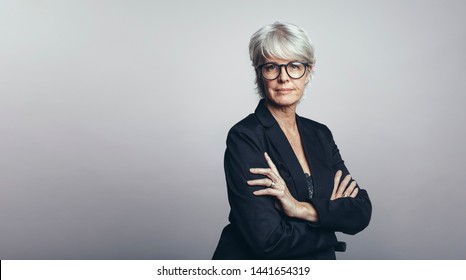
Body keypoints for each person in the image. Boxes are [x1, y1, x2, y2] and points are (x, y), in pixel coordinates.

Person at [212, 22, 372, 260]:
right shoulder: (245, 137)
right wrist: (329, 230)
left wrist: (299, 209)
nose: (283, 78)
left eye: (294, 66)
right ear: (259, 73)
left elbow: (360, 211)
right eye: (272, 67)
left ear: (308, 72)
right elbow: (268, 240)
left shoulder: (320, 134)